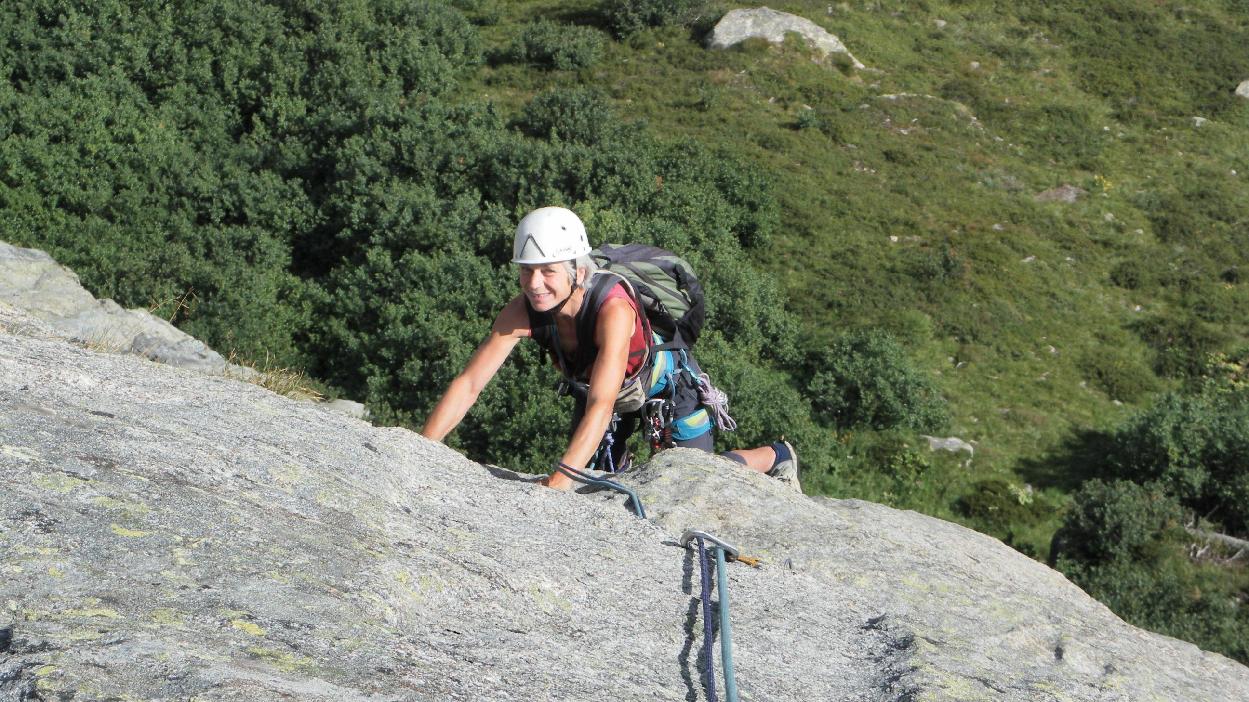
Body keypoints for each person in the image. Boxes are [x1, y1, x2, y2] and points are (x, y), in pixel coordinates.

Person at [421, 206, 800, 492]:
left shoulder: (613, 309)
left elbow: (602, 405)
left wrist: (557, 484)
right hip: (602, 394)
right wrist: (421, 450)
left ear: (578, 271)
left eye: (548, 271)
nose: (534, 284)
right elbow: (469, 384)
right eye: (526, 270)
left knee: (696, 482)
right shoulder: (523, 310)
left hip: (667, 389)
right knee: (597, 486)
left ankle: (776, 456)